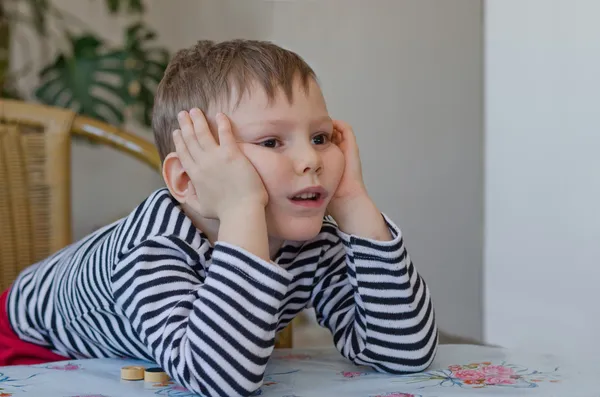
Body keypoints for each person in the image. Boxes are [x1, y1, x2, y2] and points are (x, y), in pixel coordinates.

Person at [1, 39, 438, 397]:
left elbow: (404, 352)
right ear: (189, 179)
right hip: (26, 347)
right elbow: (219, 380)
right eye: (271, 142)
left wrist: (354, 201)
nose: (310, 159)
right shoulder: (151, 250)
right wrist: (242, 208)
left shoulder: (313, 242)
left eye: (321, 137)